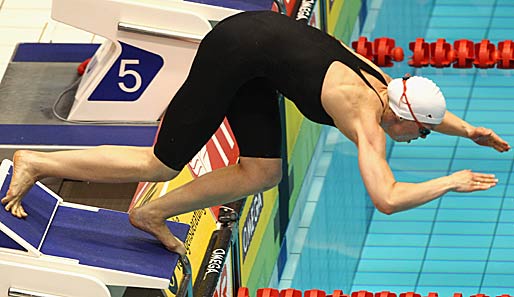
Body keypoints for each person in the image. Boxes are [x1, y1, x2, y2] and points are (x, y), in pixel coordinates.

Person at [1, 11, 510, 256]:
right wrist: (451, 181)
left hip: (263, 56)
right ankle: (36, 162)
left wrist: (469, 131)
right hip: (234, 48)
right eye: (421, 135)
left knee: (263, 172)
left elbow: (423, 111)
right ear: (402, 118)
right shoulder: (364, 120)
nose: (422, 139)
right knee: (159, 163)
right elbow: (386, 198)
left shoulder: (385, 85)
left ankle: (150, 213)